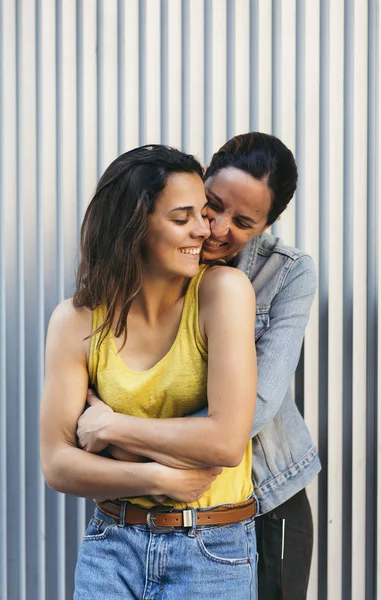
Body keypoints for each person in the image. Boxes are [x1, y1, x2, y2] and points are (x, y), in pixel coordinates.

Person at [83, 132, 321, 599]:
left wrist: (120, 440)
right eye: (212, 202)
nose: (215, 228)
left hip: (268, 496)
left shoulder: (287, 273)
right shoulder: (151, 263)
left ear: (267, 225)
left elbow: (254, 406)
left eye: (243, 222)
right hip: (154, 512)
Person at [40, 145, 259, 599]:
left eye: (203, 213)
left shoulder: (223, 293)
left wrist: (111, 427)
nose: (205, 230)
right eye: (183, 219)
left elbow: (225, 441)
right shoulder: (76, 321)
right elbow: (58, 465)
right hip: (111, 546)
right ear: (133, 225)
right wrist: (157, 478)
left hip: (211, 551)